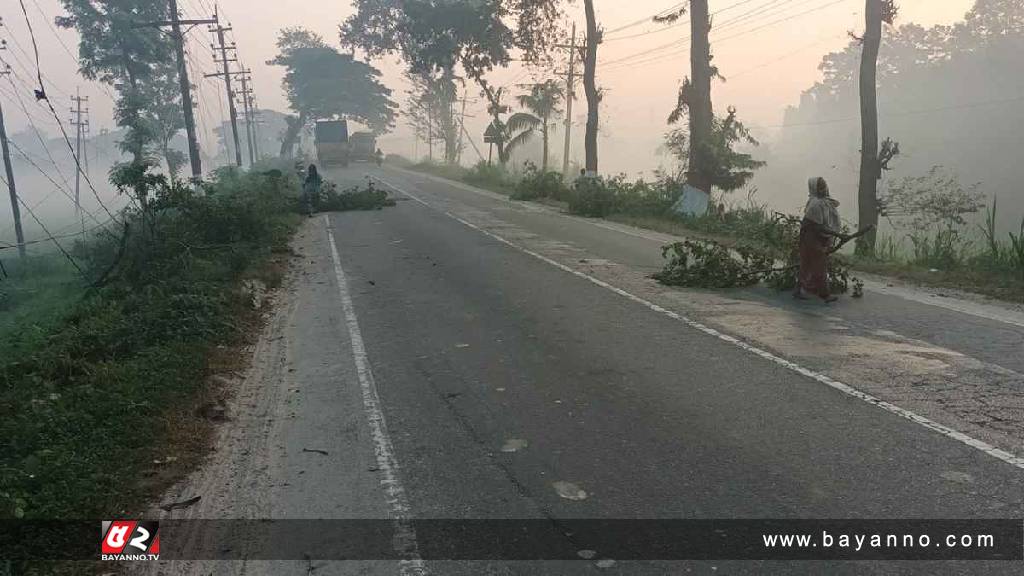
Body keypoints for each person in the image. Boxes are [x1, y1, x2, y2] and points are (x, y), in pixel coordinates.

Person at [795, 177, 849, 303]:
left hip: (813, 237)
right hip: (811, 238)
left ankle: (798, 290)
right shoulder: (816, 204)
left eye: (824, 186)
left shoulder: (823, 202)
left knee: (806, 265)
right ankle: (824, 294)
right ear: (814, 188)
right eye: (820, 187)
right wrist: (837, 234)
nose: (823, 189)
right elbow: (818, 227)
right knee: (820, 264)